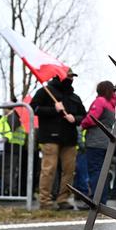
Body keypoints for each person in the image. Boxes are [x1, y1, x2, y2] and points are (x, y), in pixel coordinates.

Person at [30, 69, 86, 210]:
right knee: (49, 169)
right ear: (59, 76)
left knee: (69, 170)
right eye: (69, 76)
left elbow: (84, 116)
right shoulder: (45, 91)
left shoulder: (75, 97)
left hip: (70, 139)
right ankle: (45, 201)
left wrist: (75, 118)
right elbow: (33, 108)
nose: (71, 79)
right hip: (50, 137)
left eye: (73, 76)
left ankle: (63, 199)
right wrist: (53, 109)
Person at [80, 81, 116, 205]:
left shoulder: (100, 101)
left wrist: (82, 124)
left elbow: (92, 119)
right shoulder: (111, 105)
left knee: (95, 170)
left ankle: (94, 199)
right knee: (103, 171)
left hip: (95, 141)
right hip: (106, 142)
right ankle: (102, 199)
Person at [1, 107, 28, 196]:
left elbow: (9, 128)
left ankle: (10, 190)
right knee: (10, 169)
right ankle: (10, 189)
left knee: (9, 170)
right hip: (14, 146)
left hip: (12, 146)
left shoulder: (13, 116)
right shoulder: (15, 116)